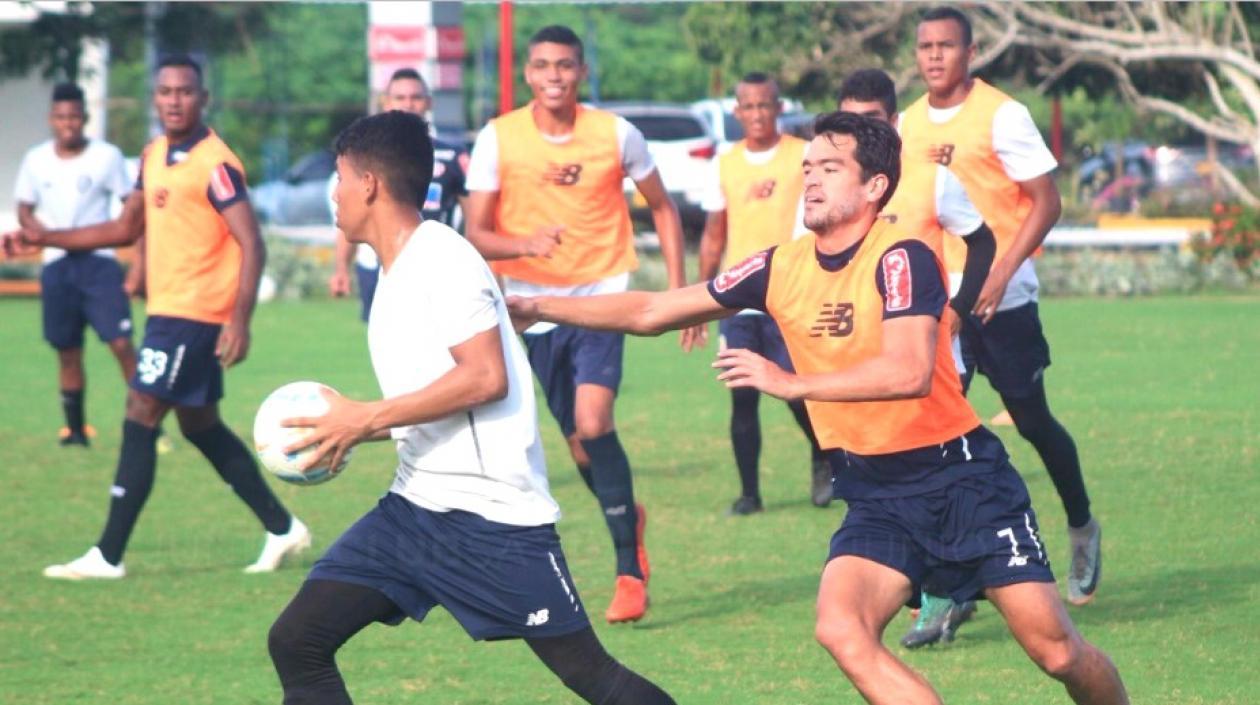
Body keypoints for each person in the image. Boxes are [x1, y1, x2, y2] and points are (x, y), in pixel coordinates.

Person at [508, 111, 1129, 705]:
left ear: (874, 186)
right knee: (841, 629)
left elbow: (909, 372)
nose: (810, 177)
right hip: (877, 496)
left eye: (830, 167)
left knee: (1057, 653)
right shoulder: (780, 265)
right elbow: (652, 311)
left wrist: (791, 383)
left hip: (963, 480)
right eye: (807, 165)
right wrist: (540, 307)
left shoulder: (902, 258)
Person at [267, 109, 677, 705]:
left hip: (491, 521)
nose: (334, 192)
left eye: (339, 177)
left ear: (370, 185)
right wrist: (349, 429)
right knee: (297, 639)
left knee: (592, 675)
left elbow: (485, 378)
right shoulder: (396, 273)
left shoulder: (443, 260)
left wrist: (366, 416)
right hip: (414, 509)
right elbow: (440, 396)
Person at [5, 55, 308, 580]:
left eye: (185, 92)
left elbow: (251, 240)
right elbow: (124, 229)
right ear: (155, 98)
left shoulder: (215, 163)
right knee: (200, 426)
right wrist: (43, 237)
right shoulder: (153, 155)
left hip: (195, 314)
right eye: (164, 91)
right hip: (168, 308)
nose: (174, 100)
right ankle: (283, 529)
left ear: (203, 98)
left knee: (142, 408)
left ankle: (108, 554)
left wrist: (240, 320)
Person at [464, 25, 701, 623]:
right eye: (542, 65)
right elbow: (476, 233)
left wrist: (678, 293)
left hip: (601, 296)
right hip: (531, 308)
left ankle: (628, 571)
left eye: (565, 65)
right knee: (578, 443)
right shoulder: (499, 138)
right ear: (527, 74)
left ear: (581, 72)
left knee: (595, 421)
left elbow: (665, 208)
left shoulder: (617, 135)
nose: (554, 76)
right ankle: (628, 512)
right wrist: (526, 242)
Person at [895, 6, 1103, 644]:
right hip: (941, 309)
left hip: (1004, 300)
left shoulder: (1003, 114)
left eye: (946, 46)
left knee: (1032, 419)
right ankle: (944, 594)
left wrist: (1000, 273)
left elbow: (1048, 200)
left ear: (971, 51)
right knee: (931, 439)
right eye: (925, 46)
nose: (934, 57)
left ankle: (1081, 525)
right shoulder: (905, 123)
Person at [837, 66, 999, 647]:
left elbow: (982, 241)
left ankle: (939, 594)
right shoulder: (834, 187)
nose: (862, 133)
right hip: (868, 358)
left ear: (895, 121)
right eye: (851, 122)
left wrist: (957, 309)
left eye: (873, 121)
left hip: (931, 353)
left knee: (937, 462)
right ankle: (950, 580)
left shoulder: (929, 179)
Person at [697, 72, 828, 515]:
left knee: (796, 391)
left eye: (765, 105)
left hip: (791, 294)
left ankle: (823, 454)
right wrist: (700, 301)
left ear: (779, 108)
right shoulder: (725, 162)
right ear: (737, 112)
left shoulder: (802, 155)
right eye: (748, 107)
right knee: (742, 396)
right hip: (738, 299)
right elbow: (714, 235)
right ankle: (750, 493)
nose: (757, 114)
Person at [14, 83, 139, 448]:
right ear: (51, 119)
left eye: (74, 116)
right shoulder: (37, 159)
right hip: (57, 266)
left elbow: (132, 207)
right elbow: (24, 206)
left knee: (120, 344)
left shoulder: (107, 157)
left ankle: (148, 425)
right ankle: (76, 431)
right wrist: (35, 230)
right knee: (67, 351)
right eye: (61, 117)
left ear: (84, 118)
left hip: (98, 264)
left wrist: (138, 266)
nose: (68, 123)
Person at [327, 68, 469, 321]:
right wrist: (341, 268)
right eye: (400, 98)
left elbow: (475, 220)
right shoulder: (366, 154)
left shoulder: (452, 155)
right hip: (377, 261)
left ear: (428, 102)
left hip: (432, 263)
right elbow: (349, 212)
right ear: (386, 102)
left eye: (415, 97)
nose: (408, 104)